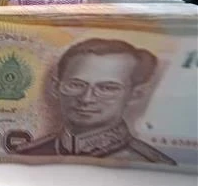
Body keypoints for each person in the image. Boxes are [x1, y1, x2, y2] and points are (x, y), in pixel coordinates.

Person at [15, 38, 176, 164]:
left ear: (135, 94)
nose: (86, 99)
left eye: (107, 88)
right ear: (56, 87)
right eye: (76, 85)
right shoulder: (24, 155)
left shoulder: (153, 165)